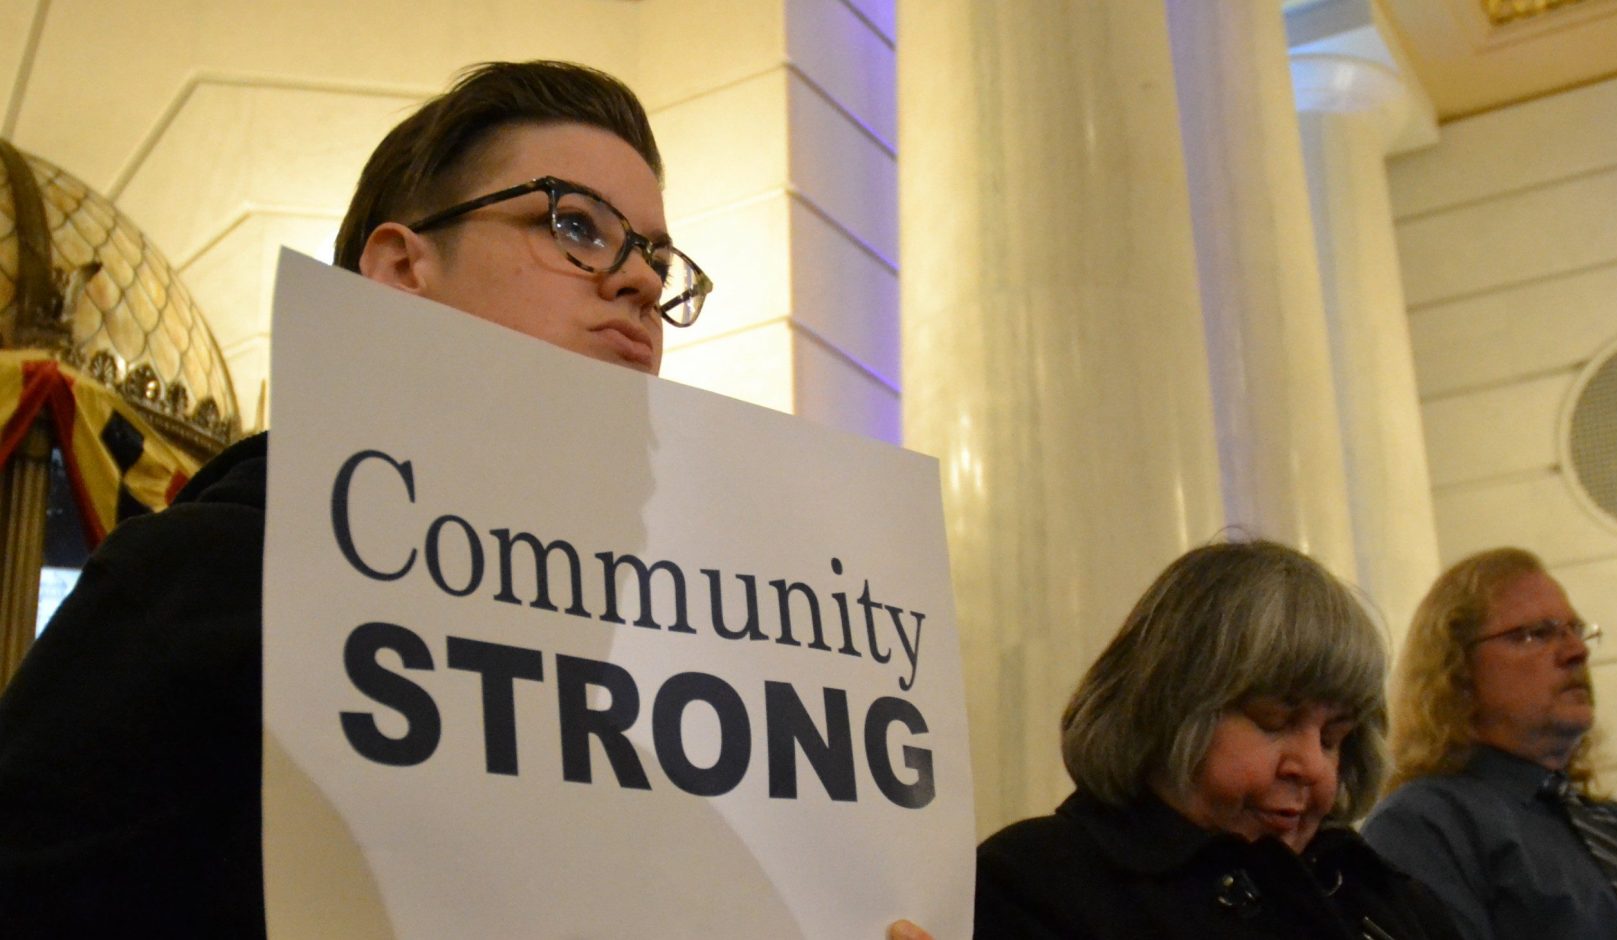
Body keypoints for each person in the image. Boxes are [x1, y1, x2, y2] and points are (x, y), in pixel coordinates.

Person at [0, 60, 926, 940]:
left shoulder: (633, 709)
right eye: (576, 226)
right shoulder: (192, 593)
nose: (641, 281)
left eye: (655, 256)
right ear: (403, 271)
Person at [974, 539, 1462, 939]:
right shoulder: (1033, 884)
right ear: (1170, 705)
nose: (1312, 766)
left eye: (1333, 739)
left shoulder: (1384, 900)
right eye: (1274, 722)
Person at [1362, 547, 1617, 940]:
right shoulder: (1425, 823)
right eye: (1537, 633)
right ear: (1456, 669)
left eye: (1576, 630)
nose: (1576, 651)